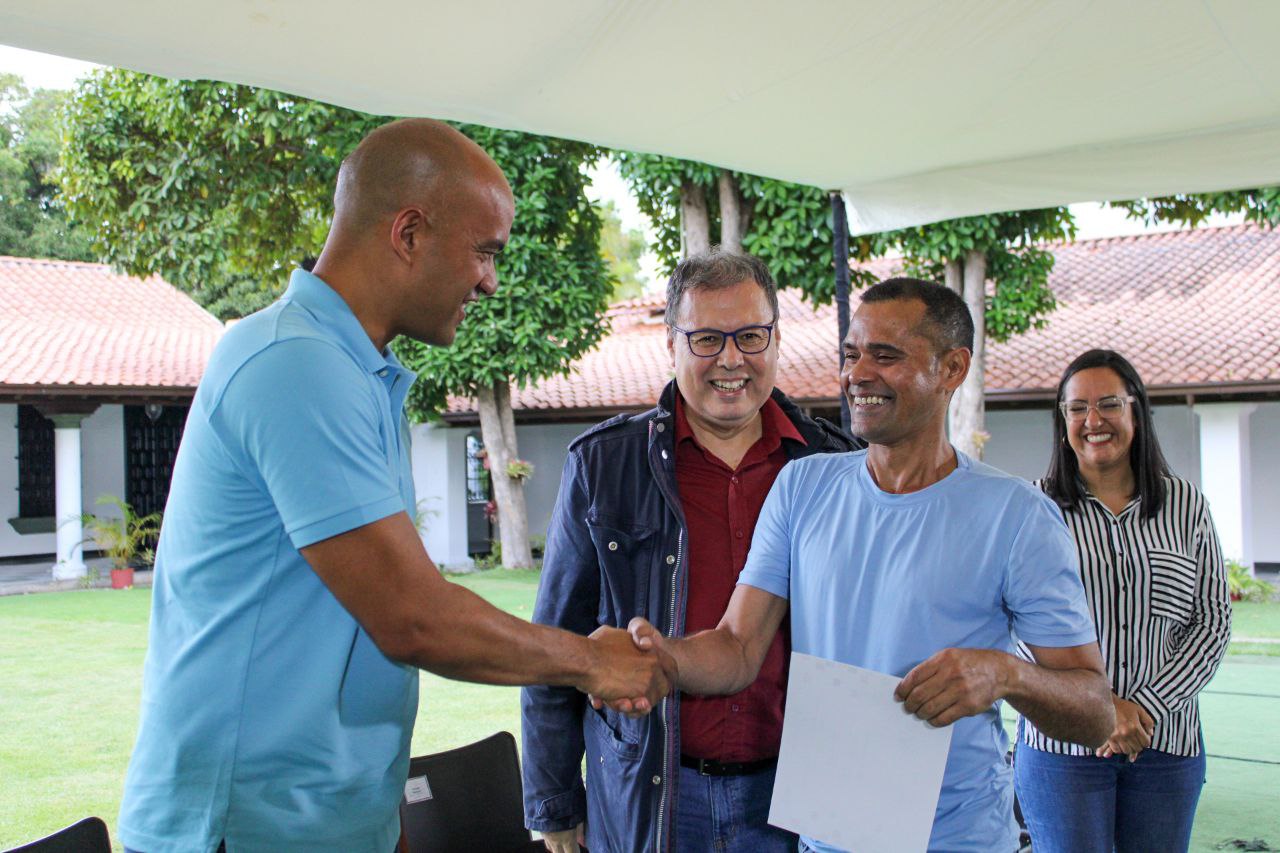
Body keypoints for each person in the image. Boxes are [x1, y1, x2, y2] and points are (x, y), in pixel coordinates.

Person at [116, 119, 672, 853]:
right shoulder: (295, 362)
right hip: (241, 827)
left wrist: (380, 819)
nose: (490, 280)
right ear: (408, 233)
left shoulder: (358, 374)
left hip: (332, 824)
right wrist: (593, 661)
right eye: (484, 251)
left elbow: (356, 624)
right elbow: (412, 616)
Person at [612, 277, 1117, 853]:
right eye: (851, 355)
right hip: (822, 840)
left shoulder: (1017, 515)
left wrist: (1006, 675)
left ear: (953, 369)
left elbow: (1095, 713)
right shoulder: (802, 486)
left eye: (886, 356)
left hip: (956, 842)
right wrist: (666, 657)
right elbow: (737, 647)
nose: (857, 374)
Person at [521, 249, 862, 852]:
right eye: (706, 339)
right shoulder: (603, 465)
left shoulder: (835, 464)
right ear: (671, 343)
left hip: (799, 794)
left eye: (750, 336)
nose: (731, 359)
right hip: (652, 791)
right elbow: (555, 646)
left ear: (776, 340)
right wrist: (554, 802)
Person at [1012, 349, 1232, 853]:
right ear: (1062, 422)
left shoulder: (1186, 506)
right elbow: (1013, 622)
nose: (1093, 421)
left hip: (1166, 745)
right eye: (1077, 408)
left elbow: (1212, 622)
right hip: (1061, 747)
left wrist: (1142, 710)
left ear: (1137, 411)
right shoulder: (1032, 508)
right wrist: (1099, 710)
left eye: (1108, 404)